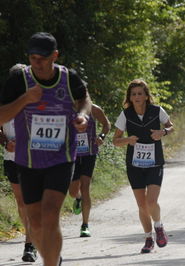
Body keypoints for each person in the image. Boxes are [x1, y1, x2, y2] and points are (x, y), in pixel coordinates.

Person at [0, 32, 90, 266]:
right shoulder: (20, 80)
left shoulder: (68, 78)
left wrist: (81, 115)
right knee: (36, 222)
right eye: (32, 57)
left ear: (55, 56)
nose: (37, 63)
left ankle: (49, 263)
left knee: (50, 214)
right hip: (28, 160)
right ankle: (53, 258)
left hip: (61, 156)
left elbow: (84, 98)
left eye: (42, 57)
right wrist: (25, 100)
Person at [113, 79, 173, 254]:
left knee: (151, 201)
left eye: (140, 93)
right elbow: (115, 141)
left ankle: (159, 227)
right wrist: (127, 140)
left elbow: (171, 126)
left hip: (155, 162)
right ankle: (148, 238)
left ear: (146, 96)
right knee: (141, 205)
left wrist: (163, 132)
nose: (137, 97)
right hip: (134, 164)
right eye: (133, 94)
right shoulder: (125, 115)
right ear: (130, 98)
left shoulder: (157, 111)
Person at [0, 63, 37, 263]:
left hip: (33, 158)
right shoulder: (4, 103)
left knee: (32, 202)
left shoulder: (34, 102)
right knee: (22, 203)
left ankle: (30, 244)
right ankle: (31, 239)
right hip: (11, 158)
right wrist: (6, 141)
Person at [69, 103, 111, 237]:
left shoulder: (94, 109)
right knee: (72, 191)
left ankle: (85, 225)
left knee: (85, 187)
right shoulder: (65, 108)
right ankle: (78, 198)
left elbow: (106, 124)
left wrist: (102, 136)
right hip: (71, 154)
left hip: (89, 153)